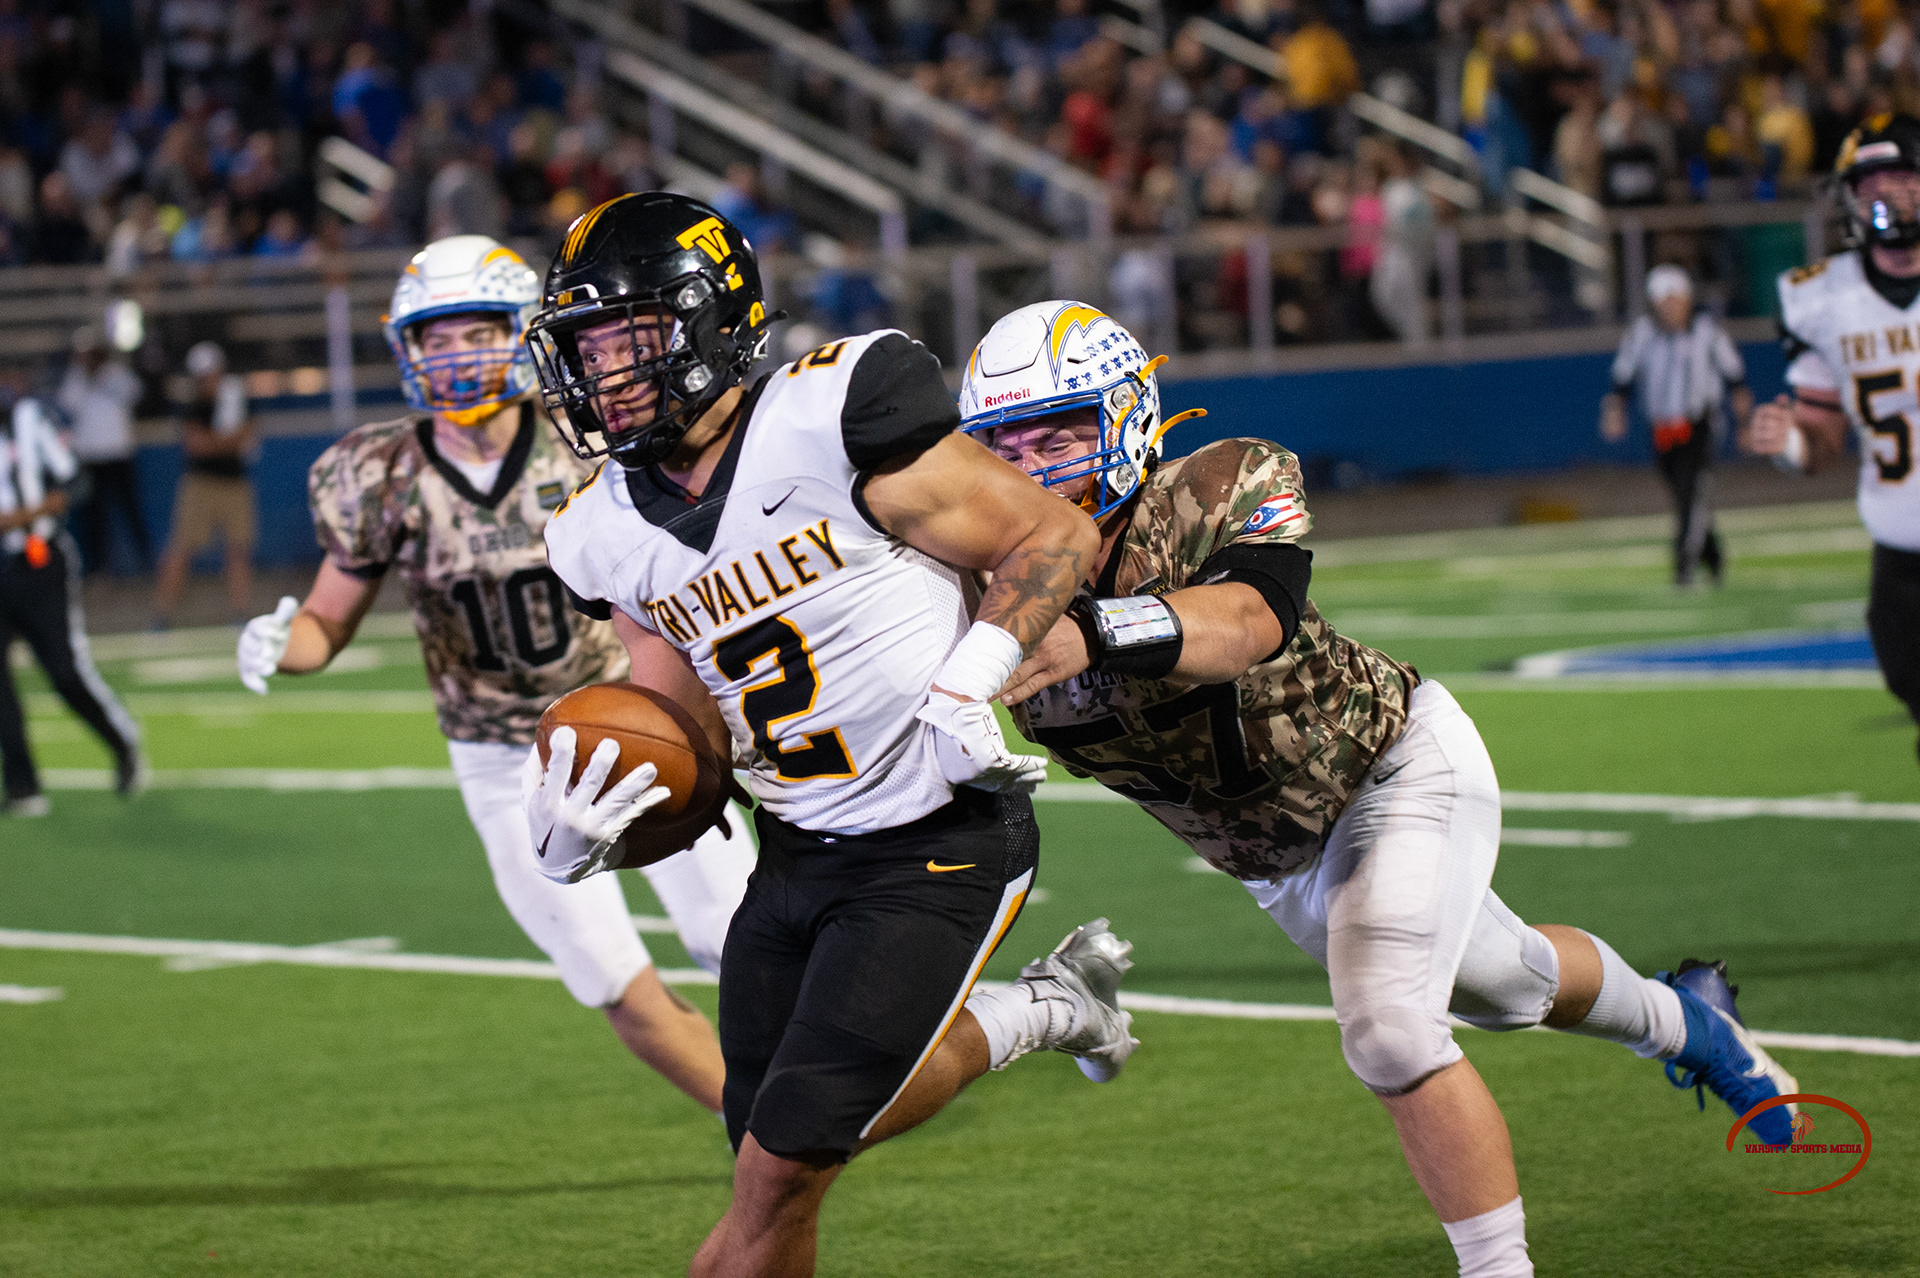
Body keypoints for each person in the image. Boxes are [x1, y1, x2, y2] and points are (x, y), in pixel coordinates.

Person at [960, 300, 1805, 1278]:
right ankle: (1694, 1024)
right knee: (1513, 982)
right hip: (1277, 861)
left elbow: (1249, 618)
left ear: (1125, 417)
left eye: (1057, 434)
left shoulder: (1217, 483)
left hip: (1391, 767)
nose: (1027, 465)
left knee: (1391, 1030)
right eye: (1003, 444)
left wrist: (1092, 631)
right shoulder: (965, 578)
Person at [521, 193, 1134, 1278]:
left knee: (778, 1169)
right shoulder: (598, 531)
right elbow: (693, 750)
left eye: (630, 337)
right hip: (794, 856)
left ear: (714, 321)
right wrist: (595, 827)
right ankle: (1044, 1010)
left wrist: (972, 678)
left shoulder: (835, 409)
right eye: (588, 348)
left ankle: (1041, 1011)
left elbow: (1053, 534)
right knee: (769, 1162)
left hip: (935, 839)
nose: (605, 373)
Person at [233, 236, 752, 1111]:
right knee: (607, 974)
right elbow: (327, 621)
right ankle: (764, 1132)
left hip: (636, 719)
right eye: (436, 337)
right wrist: (284, 641)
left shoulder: (588, 440)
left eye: (477, 332)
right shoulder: (377, 472)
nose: (457, 355)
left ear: (522, 333)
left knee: (732, 938)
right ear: (407, 349)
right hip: (502, 758)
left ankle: (827, 1100)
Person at [1750, 114, 1920, 763]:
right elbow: (1821, 435)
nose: (1886, 196)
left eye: (1902, 177)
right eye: (1870, 183)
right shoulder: (1821, 298)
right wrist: (1791, 445)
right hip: (1902, 563)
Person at [0, 371, 146, 816]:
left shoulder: (28, 418)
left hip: (37, 561)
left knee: (64, 672)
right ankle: (22, 786)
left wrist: (36, 511)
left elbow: (77, 481)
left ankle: (120, 740)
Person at [1602, 265, 1752, 587]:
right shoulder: (1643, 333)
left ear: (1687, 300)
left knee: (1690, 493)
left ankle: (1683, 568)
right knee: (1685, 496)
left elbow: (1736, 379)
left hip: (1700, 425)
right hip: (1662, 428)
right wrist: (1615, 412)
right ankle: (1713, 555)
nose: (1670, 307)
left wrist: (1744, 424)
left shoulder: (1707, 332)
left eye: (1676, 300)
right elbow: (1622, 377)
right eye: (1664, 301)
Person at [153, 342, 257, 627]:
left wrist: (217, 443)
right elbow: (197, 445)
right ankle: (161, 616)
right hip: (201, 484)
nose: (207, 380)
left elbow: (246, 438)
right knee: (181, 548)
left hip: (235, 483)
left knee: (238, 549)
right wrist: (228, 442)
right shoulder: (194, 407)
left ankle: (239, 613)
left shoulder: (237, 400)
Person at [56, 326, 150, 574]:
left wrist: (101, 376)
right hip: (91, 457)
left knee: (130, 510)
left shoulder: (117, 373)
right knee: (94, 517)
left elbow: (134, 394)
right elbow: (67, 403)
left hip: (118, 454)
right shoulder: (76, 377)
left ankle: (146, 563)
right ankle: (100, 568)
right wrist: (85, 375)